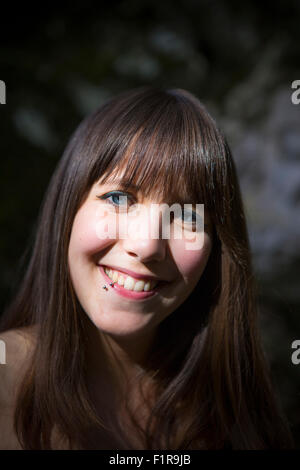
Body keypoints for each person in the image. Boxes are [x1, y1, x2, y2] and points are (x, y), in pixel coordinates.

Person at [0, 86, 294, 450]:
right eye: (119, 198)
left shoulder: (237, 415)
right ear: (68, 207)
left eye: (186, 216)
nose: (147, 245)